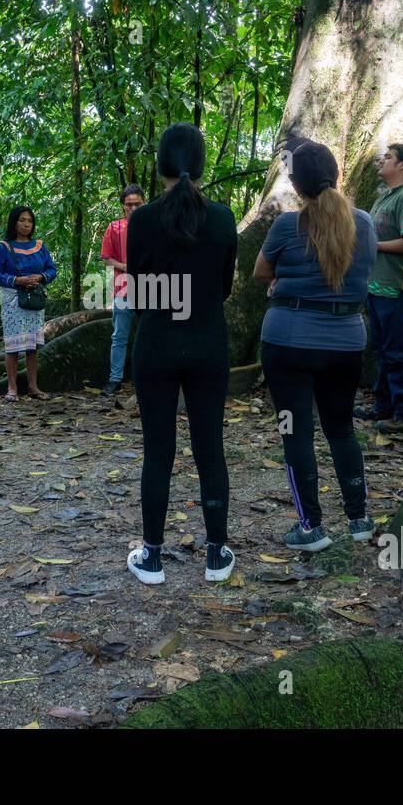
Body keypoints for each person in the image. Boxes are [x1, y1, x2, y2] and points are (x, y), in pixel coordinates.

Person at [125, 123, 238, 585]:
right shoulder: (224, 218)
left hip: (156, 346)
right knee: (210, 447)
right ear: (202, 162)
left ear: (160, 165)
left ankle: (152, 555)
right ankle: (216, 552)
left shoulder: (143, 219)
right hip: (209, 345)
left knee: (158, 450)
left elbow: (137, 290)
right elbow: (226, 286)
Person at [253, 140, 379, 550]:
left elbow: (260, 271)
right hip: (345, 343)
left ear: (296, 184)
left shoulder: (287, 225)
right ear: (336, 174)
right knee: (342, 429)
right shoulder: (364, 223)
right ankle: (359, 518)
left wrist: (283, 280)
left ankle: (310, 526)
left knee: (296, 432)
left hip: (288, 342)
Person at [358, 143, 403, 433]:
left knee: (399, 352)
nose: (382, 161)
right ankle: (383, 405)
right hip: (376, 287)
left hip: (396, 288)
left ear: (402, 165)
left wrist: (373, 246)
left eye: (389, 158)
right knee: (382, 350)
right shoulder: (386, 196)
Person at [0, 207, 57, 401]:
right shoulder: (4, 247)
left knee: (32, 345)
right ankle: (12, 389)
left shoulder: (40, 246)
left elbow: (52, 269)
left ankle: (33, 387)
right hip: (12, 301)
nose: (26, 224)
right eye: (22, 220)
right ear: (13, 223)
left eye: (29, 221)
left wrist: (40, 277)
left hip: (34, 300)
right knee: (13, 344)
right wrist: (17, 281)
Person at [100, 184, 146, 395]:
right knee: (119, 336)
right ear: (123, 206)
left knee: (149, 335)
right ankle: (115, 379)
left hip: (153, 288)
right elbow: (107, 259)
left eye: (137, 204)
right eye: (129, 205)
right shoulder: (114, 227)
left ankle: (148, 377)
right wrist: (125, 267)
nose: (133, 208)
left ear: (144, 203)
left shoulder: (153, 226)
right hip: (123, 289)